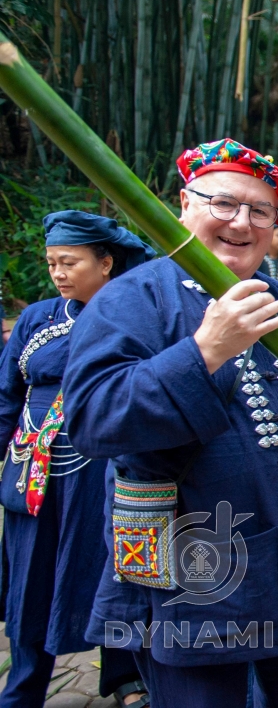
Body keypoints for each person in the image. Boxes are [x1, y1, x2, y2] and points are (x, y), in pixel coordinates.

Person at [61, 139, 278, 708]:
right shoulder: (132, 299)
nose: (241, 222)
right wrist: (204, 351)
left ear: (274, 227)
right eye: (223, 203)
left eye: (259, 211)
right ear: (184, 204)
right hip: (190, 568)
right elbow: (94, 419)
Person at [0, 211, 154, 708]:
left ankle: (126, 676)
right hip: (35, 472)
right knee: (31, 578)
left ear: (106, 263)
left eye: (69, 262)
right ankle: (23, 687)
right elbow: (7, 395)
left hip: (103, 470)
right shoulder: (36, 319)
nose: (58, 273)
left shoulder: (134, 316)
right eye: (52, 264)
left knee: (112, 568)